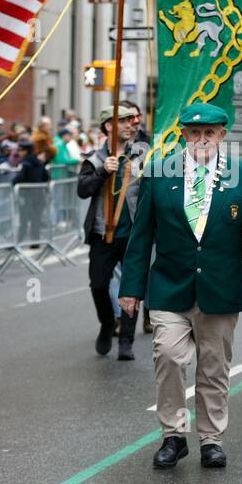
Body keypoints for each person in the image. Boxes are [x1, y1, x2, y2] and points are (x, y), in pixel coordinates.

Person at [118, 102, 242, 469]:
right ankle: (173, 435)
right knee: (168, 357)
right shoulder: (158, 173)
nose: (201, 139)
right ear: (184, 135)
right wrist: (131, 288)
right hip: (171, 286)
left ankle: (210, 438)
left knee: (214, 367)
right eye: (194, 132)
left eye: (209, 133)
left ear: (222, 135)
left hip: (220, 288)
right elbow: (141, 236)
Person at [78, 105, 145, 359]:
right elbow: (82, 190)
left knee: (132, 288)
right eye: (124, 121)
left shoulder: (141, 157)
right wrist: (103, 171)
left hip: (133, 235)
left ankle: (126, 340)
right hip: (103, 235)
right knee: (98, 285)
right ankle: (107, 324)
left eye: (132, 121)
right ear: (108, 126)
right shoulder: (95, 159)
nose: (131, 125)